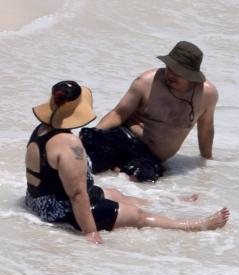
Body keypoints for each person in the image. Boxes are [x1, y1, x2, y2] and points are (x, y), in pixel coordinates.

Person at [27, 82, 229, 239]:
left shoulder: (42, 130)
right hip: (61, 211)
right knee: (137, 216)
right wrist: (90, 232)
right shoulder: (69, 144)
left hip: (38, 201)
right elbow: (78, 195)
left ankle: (171, 200)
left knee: (116, 194)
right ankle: (190, 225)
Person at [82, 42, 219, 181]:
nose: (171, 74)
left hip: (151, 157)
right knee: (88, 158)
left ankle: (116, 171)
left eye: (178, 71)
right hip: (123, 138)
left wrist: (206, 160)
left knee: (140, 178)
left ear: (192, 75)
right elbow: (119, 113)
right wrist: (95, 134)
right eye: (169, 67)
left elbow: (206, 129)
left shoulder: (206, 95)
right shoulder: (147, 81)